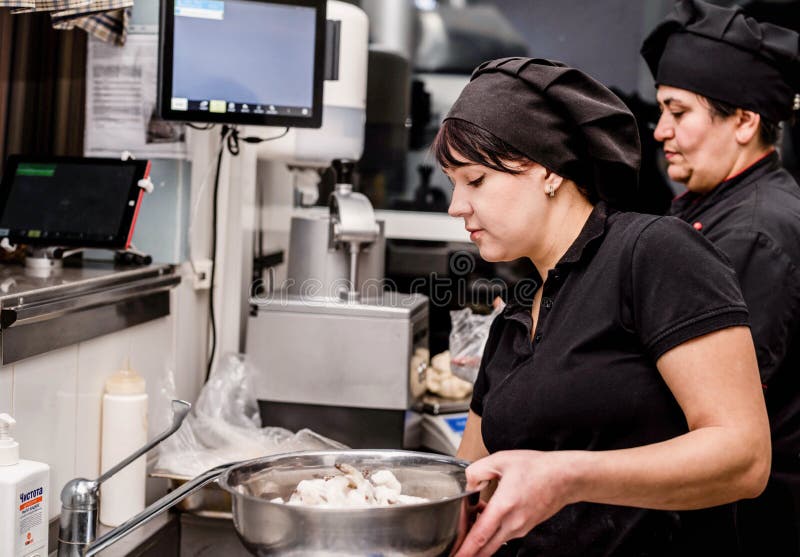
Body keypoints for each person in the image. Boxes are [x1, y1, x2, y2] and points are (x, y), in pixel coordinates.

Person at [433, 57, 771, 557]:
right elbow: (469, 479)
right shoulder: (519, 310)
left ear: (546, 170)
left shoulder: (651, 253)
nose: (455, 206)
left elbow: (744, 457)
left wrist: (567, 477)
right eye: (451, 182)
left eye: (475, 180)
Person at [641, 1, 800, 554]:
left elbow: (706, 399)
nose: (660, 130)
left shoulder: (756, 233)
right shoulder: (708, 205)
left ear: (744, 121)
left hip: (744, 526)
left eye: (678, 111)